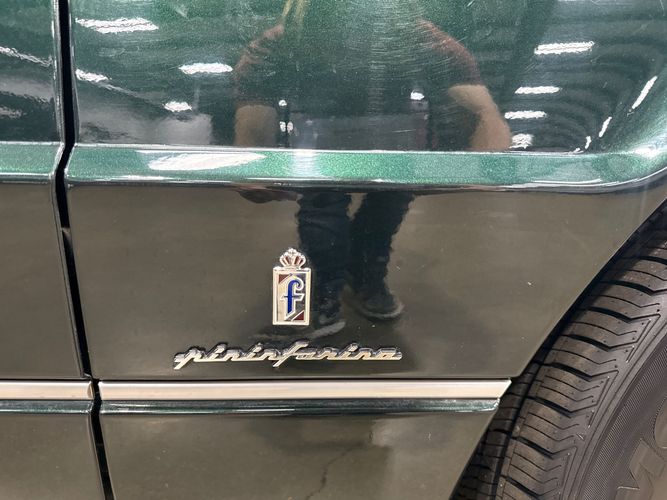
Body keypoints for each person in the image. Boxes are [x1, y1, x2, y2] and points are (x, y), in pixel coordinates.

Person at [235, 0, 511, 337]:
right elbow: (255, 112)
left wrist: (484, 162)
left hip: (391, 140)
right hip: (322, 138)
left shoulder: (418, 38)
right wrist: (252, 167)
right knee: (322, 211)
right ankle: (326, 287)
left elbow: (484, 112)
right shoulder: (280, 42)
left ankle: (362, 273)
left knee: (384, 206)